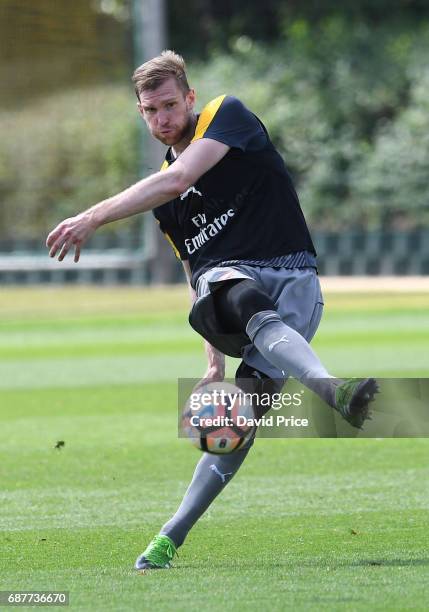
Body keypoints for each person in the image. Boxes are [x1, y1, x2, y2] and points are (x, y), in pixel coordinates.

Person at [46, 50, 377, 572]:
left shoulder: (228, 114)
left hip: (297, 287)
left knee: (237, 422)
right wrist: (212, 365)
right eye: (151, 111)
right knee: (230, 285)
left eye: (170, 105)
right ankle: (333, 390)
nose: (163, 119)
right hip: (237, 291)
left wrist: (91, 217)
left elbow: (180, 178)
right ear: (141, 113)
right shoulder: (163, 201)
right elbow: (197, 277)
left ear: (191, 98)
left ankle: (169, 537)